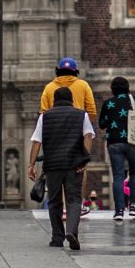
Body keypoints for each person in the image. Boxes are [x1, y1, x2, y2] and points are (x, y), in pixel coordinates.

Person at [30, 88, 96, 249]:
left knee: (54, 201)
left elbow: (36, 142)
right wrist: (85, 159)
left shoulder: (44, 117)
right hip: (74, 164)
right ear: (72, 99)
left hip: (52, 165)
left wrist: (31, 164)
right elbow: (88, 136)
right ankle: (71, 231)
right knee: (74, 200)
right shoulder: (82, 115)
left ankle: (57, 238)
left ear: (54, 100)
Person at [100, 75, 135, 220]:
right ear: (128, 87)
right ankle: (133, 206)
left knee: (118, 176)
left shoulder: (108, 103)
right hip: (134, 142)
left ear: (112, 89)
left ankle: (119, 211)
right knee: (134, 173)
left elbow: (102, 124)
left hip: (114, 142)